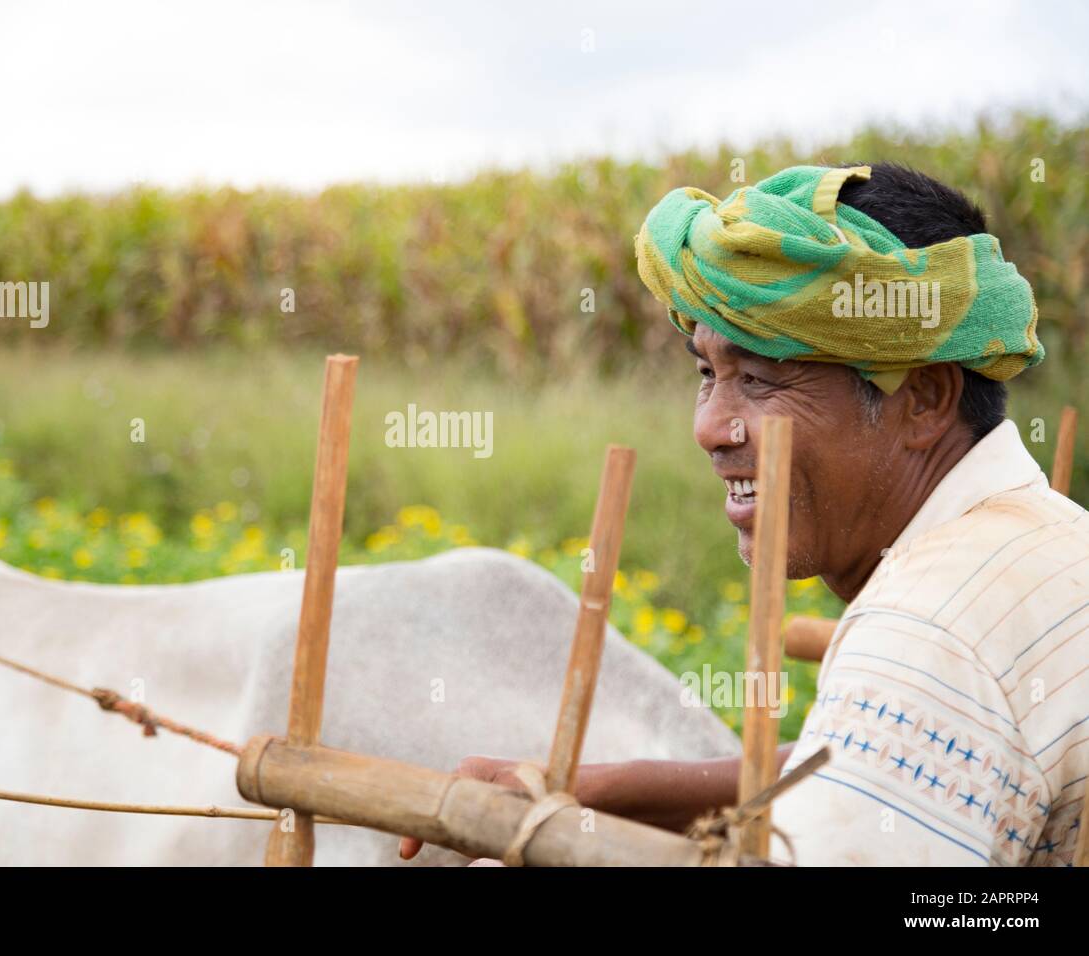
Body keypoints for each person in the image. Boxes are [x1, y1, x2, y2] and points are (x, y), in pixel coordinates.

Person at [401, 162, 1087, 866]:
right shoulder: (1048, 549)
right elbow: (884, 753)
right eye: (708, 373)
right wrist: (599, 790)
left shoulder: (928, 632)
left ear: (925, 400)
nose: (710, 428)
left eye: (761, 379)